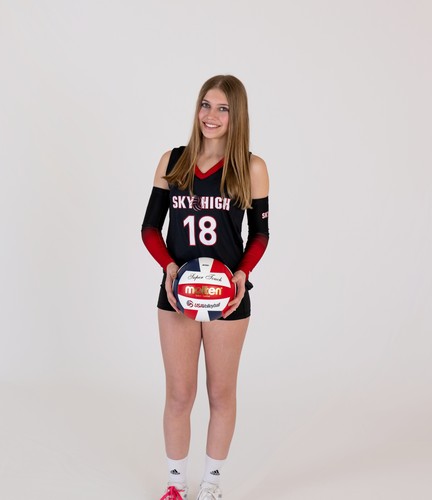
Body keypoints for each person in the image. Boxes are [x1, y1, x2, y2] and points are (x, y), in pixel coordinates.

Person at [141, 75, 269, 500]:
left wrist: (242, 274)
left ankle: (211, 484)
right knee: (179, 394)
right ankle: (175, 484)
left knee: (220, 393)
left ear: (237, 115)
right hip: (177, 292)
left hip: (226, 295)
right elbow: (149, 228)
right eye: (206, 105)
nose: (211, 116)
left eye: (223, 108)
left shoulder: (251, 167)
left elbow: (260, 235)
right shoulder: (173, 160)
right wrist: (169, 268)